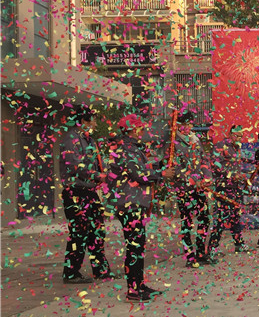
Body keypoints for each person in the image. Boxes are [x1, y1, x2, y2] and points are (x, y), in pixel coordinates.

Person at [107, 114, 175, 302]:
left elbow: (143, 167)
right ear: (132, 129)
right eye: (140, 127)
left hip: (135, 202)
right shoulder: (126, 149)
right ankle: (133, 289)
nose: (143, 131)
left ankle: (139, 285)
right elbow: (137, 174)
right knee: (134, 247)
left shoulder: (131, 148)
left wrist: (160, 164)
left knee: (138, 246)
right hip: (130, 203)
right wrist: (161, 174)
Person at [59, 106, 112, 284]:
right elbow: (75, 165)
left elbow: (97, 163)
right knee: (79, 232)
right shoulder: (71, 139)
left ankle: (101, 270)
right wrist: (97, 176)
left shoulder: (90, 140)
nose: (95, 124)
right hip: (75, 192)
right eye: (93, 121)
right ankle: (71, 272)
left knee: (97, 230)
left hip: (90, 191)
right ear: (83, 121)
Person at [171, 111, 212, 267]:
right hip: (184, 188)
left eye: (190, 124)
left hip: (199, 187)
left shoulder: (195, 139)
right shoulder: (174, 143)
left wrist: (206, 178)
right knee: (187, 222)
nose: (188, 127)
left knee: (204, 218)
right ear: (178, 125)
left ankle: (201, 252)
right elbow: (176, 167)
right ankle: (189, 256)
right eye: (185, 124)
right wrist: (193, 180)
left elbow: (204, 160)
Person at [207, 125, 251, 257]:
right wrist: (230, 175)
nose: (239, 138)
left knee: (235, 216)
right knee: (221, 217)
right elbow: (214, 165)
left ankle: (238, 243)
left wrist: (240, 177)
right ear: (230, 134)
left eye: (241, 137)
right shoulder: (221, 146)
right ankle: (213, 247)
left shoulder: (237, 148)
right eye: (236, 136)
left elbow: (235, 167)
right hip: (223, 187)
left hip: (235, 187)